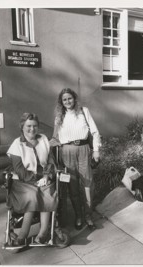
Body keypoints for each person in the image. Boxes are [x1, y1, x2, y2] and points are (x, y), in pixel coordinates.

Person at [49, 88, 101, 230]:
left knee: (87, 184)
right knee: (72, 186)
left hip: (84, 150)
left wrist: (96, 150)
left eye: (70, 98)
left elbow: (95, 132)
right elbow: (54, 138)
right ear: (61, 102)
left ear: (74, 98)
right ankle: (78, 215)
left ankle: (88, 216)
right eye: (64, 99)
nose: (67, 101)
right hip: (67, 152)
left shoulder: (84, 111)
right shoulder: (59, 117)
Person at [7, 113, 57, 246]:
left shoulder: (44, 139)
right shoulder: (17, 144)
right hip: (23, 182)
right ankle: (23, 235)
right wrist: (36, 180)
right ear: (22, 126)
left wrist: (46, 176)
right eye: (28, 126)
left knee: (47, 193)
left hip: (43, 179)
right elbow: (19, 169)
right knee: (32, 195)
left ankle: (42, 233)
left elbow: (50, 161)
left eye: (35, 126)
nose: (32, 129)